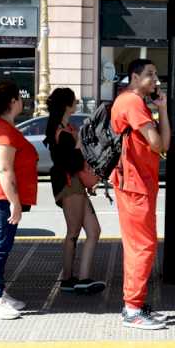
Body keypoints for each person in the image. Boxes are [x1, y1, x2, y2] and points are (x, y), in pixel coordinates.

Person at [110, 59, 171, 330]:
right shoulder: (132, 103)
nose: (155, 80)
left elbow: (163, 145)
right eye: (149, 74)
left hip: (138, 184)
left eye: (156, 74)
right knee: (142, 247)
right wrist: (160, 115)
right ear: (134, 77)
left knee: (140, 246)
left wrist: (163, 110)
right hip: (135, 185)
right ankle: (132, 309)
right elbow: (158, 143)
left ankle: (134, 304)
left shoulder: (132, 102)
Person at [0, 80, 38, 320]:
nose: (23, 102)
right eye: (20, 98)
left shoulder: (3, 127)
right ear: (13, 102)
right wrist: (14, 201)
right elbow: (3, 168)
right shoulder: (2, 130)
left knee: (2, 246)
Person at [44, 87, 105, 294]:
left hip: (74, 184)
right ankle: (69, 279)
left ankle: (82, 278)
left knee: (94, 231)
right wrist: (79, 143)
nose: (77, 103)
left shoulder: (64, 128)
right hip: (70, 185)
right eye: (74, 101)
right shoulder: (62, 132)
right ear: (67, 105)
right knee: (73, 233)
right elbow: (71, 164)